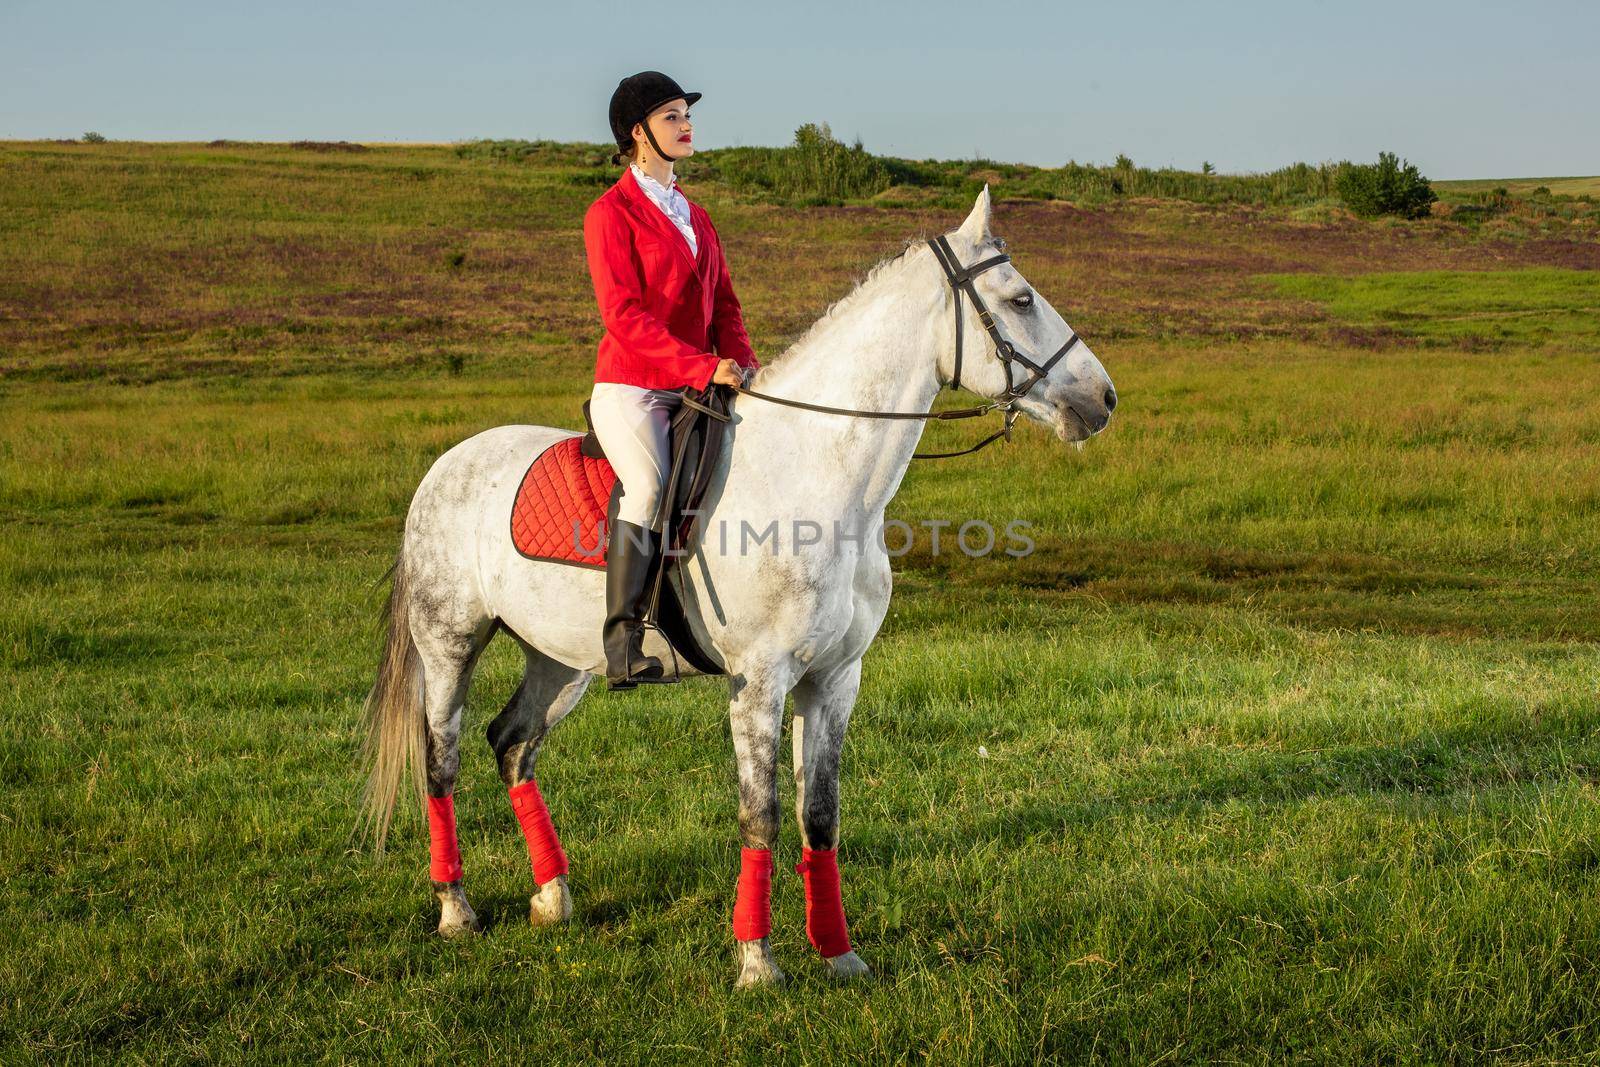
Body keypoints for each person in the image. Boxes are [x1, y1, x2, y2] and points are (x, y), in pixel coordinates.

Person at [583, 70, 760, 690]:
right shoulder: (610, 214)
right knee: (650, 484)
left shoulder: (698, 217)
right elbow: (623, 316)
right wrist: (701, 366)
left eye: (687, 115)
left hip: (699, 384)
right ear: (638, 133)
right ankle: (624, 640)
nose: (686, 125)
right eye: (671, 117)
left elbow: (727, 308)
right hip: (633, 386)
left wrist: (745, 365)